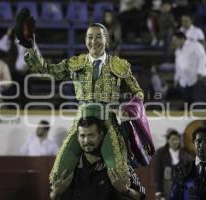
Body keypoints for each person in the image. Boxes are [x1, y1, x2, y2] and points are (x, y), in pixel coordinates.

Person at [15, 8, 151, 184]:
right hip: (82, 124)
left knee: (120, 176)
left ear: (107, 40)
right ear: (85, 40)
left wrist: (129, 109)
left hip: (108, 123)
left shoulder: (120, 66)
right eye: (89, 37)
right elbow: (46, 70)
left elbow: (138, 93)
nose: (93, 41)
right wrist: (31, 47)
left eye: (98, 36)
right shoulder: (75, 63)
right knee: (58, 175)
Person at [49, 106, 146, 200]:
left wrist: (126, 190)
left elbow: (140, 196)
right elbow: (53, 196)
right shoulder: (72, 166)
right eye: (82, 136)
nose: (86, 140)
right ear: (77, 137)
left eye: (91, 135)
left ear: (101, 135)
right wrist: (56, 192)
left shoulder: (117, 163)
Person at [0, 27, 41, 107]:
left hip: (25, 73)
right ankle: (11, 113)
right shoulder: (9, 42)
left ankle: (26, 112)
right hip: (12, 73)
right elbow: (0, 47)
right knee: (11, 96)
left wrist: (29, 66)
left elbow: (37, 58)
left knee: (26, 96)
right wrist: (7, 35)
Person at [172, 31, 206, 106]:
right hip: (185, 82)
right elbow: (178, 65)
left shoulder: (195, 45)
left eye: (175, 40)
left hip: (197, 79)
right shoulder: (177, 51)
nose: (174, 43)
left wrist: (200, 72)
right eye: (173, 41)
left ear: (182, 39)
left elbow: (203, 58)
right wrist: (176, 78)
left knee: (197, 103)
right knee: (187, 105)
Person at [154, 129, 191, 200]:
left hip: (182, 186)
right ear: (168, 140)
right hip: (167, 184)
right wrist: (158, 191)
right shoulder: (161, 153)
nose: (175, 142)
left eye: (177, 139)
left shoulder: (185, 154)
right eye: (173, 139)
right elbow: (157, 173)